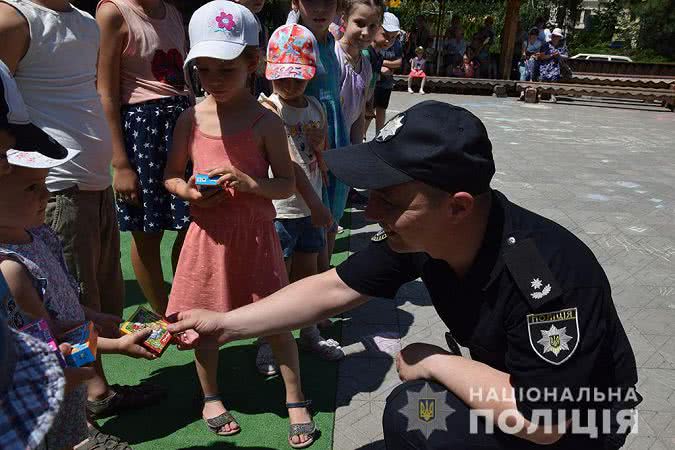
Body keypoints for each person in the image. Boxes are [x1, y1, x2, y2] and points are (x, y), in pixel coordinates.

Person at [169, 100, 642, 450]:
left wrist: (436, 361)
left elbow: (544, 420)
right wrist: (224, 323)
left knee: (414, 411)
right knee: (416, 413)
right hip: (517, 388)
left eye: (390, 201)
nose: (372, 212)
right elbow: (333, 287)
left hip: (581, 422)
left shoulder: (547, 280)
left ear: (458, 206)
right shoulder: (426, 235)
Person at [0, 0, 164, 444]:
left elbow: (90, 91)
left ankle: (97, 395)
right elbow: (45, 340)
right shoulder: (14, 19)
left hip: (91, 180)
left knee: (88, 292)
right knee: (63, 301)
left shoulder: (84, 19)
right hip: (56, 183)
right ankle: (84, 429)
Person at [163, 2, 315, 447]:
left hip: (255, 237)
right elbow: (171, 175)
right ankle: (210, 395)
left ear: (253, 64)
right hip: (206, 240)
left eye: (225, 70)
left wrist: (252, 184)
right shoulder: (191, 117)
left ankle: (295, 396)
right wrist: (189, 192)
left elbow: (286, 184)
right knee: (201, 321)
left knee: (277, 319)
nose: (213, 81)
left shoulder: (265, 122)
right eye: (203, 70)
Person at [96, 0, 190, 316]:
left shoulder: (173, 12)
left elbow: (186, 78)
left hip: (183, 126)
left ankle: (187, 300)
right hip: (143, 133)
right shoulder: (113, 12)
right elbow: (106, 92)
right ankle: (167, 314)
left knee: (195, 223)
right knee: (147, 232)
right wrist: (120, 163)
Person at [260, 23, 344, 370]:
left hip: (311, 205)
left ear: (310, 75)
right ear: (270, 74)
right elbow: (289, 166)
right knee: (277, 277)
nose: (290, 84)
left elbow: (316, 154)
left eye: (297, 77)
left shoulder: (314, 107)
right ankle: (268, 340)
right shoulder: (268, 108)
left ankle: (308, 331)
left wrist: (325, 186)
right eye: (283, 77)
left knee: (308, 274)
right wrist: (318, 205)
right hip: (281, 207)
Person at [287, 0, 350, 285]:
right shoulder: (293, 39)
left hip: (334, 135)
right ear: (295, 2)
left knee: (332, 216)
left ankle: (325, 284)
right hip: (307, 144)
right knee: (315, 217)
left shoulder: (330, 41)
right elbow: (282, 96)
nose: (321, 8)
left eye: (329, 1)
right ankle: (316, 291)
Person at [336, 0, 381, 146]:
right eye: (359, 23)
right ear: (344, 19)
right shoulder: (333, 57)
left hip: (345, 147)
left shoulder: (366, 66)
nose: (366, 32)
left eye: (372, 26)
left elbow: (359, 113)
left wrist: (356, 150)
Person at [373, 11, 402, 134]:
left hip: (386, 83)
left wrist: (382, 63)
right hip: (372, 83)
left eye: (393, 37)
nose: (389, 40)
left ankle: (379, 134)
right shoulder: (371, 47)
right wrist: (380, 67)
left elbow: (399, 62)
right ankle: (362, 137)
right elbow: (370, 63)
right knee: (367, 110)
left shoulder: (397, 45)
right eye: (385, 35)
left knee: (381, 108)